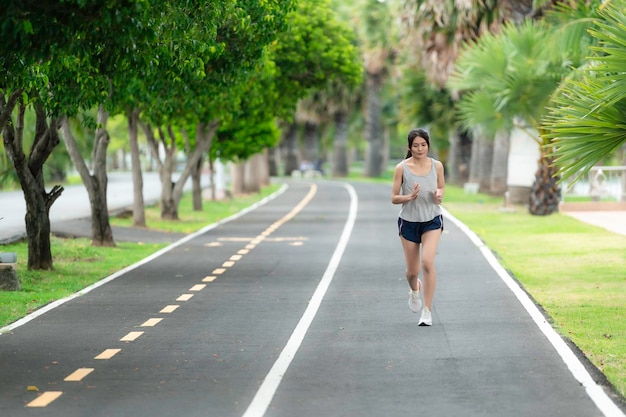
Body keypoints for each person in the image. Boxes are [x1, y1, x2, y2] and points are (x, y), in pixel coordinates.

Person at [391, 128, 445, 326]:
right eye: (416, 145)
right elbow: (394, 198)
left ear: (428, 145)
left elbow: (441, 186)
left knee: (428, 263)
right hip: (409, 221)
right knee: (412, 272)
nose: (420, 148)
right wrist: (409, 197)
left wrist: (439, 194)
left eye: (423, 145)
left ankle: (427, 311)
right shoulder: (401, 168)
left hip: (432, 219)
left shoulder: (437, 165)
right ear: (409, 147)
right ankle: (414, 291)